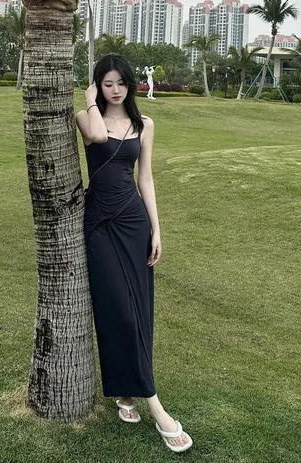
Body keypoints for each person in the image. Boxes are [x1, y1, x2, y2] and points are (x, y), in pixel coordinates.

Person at [75, 53, 193, 454]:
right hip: (99, 225)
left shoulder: (145, 125)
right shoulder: (86, 117)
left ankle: (128, 393)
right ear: (98, 85)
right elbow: (97, 138)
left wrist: (157, 229)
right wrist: (89, 99)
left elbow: (146, 178)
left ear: (130, 84)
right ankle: (156, 406)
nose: (116, 90)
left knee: (139, 310)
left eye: (121, 83)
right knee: (117, 309)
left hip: (133, 222)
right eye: (107, 84)